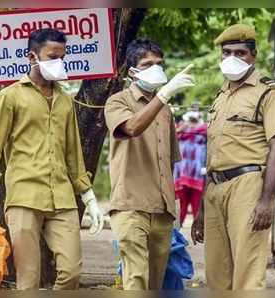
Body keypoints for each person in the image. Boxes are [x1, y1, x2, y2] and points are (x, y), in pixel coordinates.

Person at [0, 28, 105, 290]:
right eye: (52, 57)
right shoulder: (10, 97)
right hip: (24, 195)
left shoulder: (65, 100)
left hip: (62, 196)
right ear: (32, 56)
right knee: (28, 279)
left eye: (62, 57)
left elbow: (73, 154)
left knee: (72, 271)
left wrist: (88, 195)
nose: (59, 63)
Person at [191, 24, 275, 290]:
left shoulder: (270, 93)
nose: (231, 58)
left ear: (253, 56)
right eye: (226, 53)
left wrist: (267, 200)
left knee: (247, 275)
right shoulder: (221, 96)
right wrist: (201, 208)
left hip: (247, 187)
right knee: (216, 275)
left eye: (240, 52)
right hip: (214, 188)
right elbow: (212, 155)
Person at [104, 38, 195, 290]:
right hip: (131, 204)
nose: (156, 68)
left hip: (162, 209)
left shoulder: (166, 112)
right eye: (147, 64)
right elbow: (131, 127)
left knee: (155, 284)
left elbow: (169, 161)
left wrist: (173, 207)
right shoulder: (118, 102)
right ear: (133, 71)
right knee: (136, 279)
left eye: (159, 63)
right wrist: (164, 95)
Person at [174, 110, 207, 226]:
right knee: (180, 209)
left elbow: (208, 130)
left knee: (197, 207)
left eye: (194, 119)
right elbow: (170, 136)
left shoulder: (203, 132)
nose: (192, 122)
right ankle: (176, 235)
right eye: (191, 119)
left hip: (197, 176)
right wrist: (183, 128)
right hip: (181, 177)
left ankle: (199, 233)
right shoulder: (180, 131)